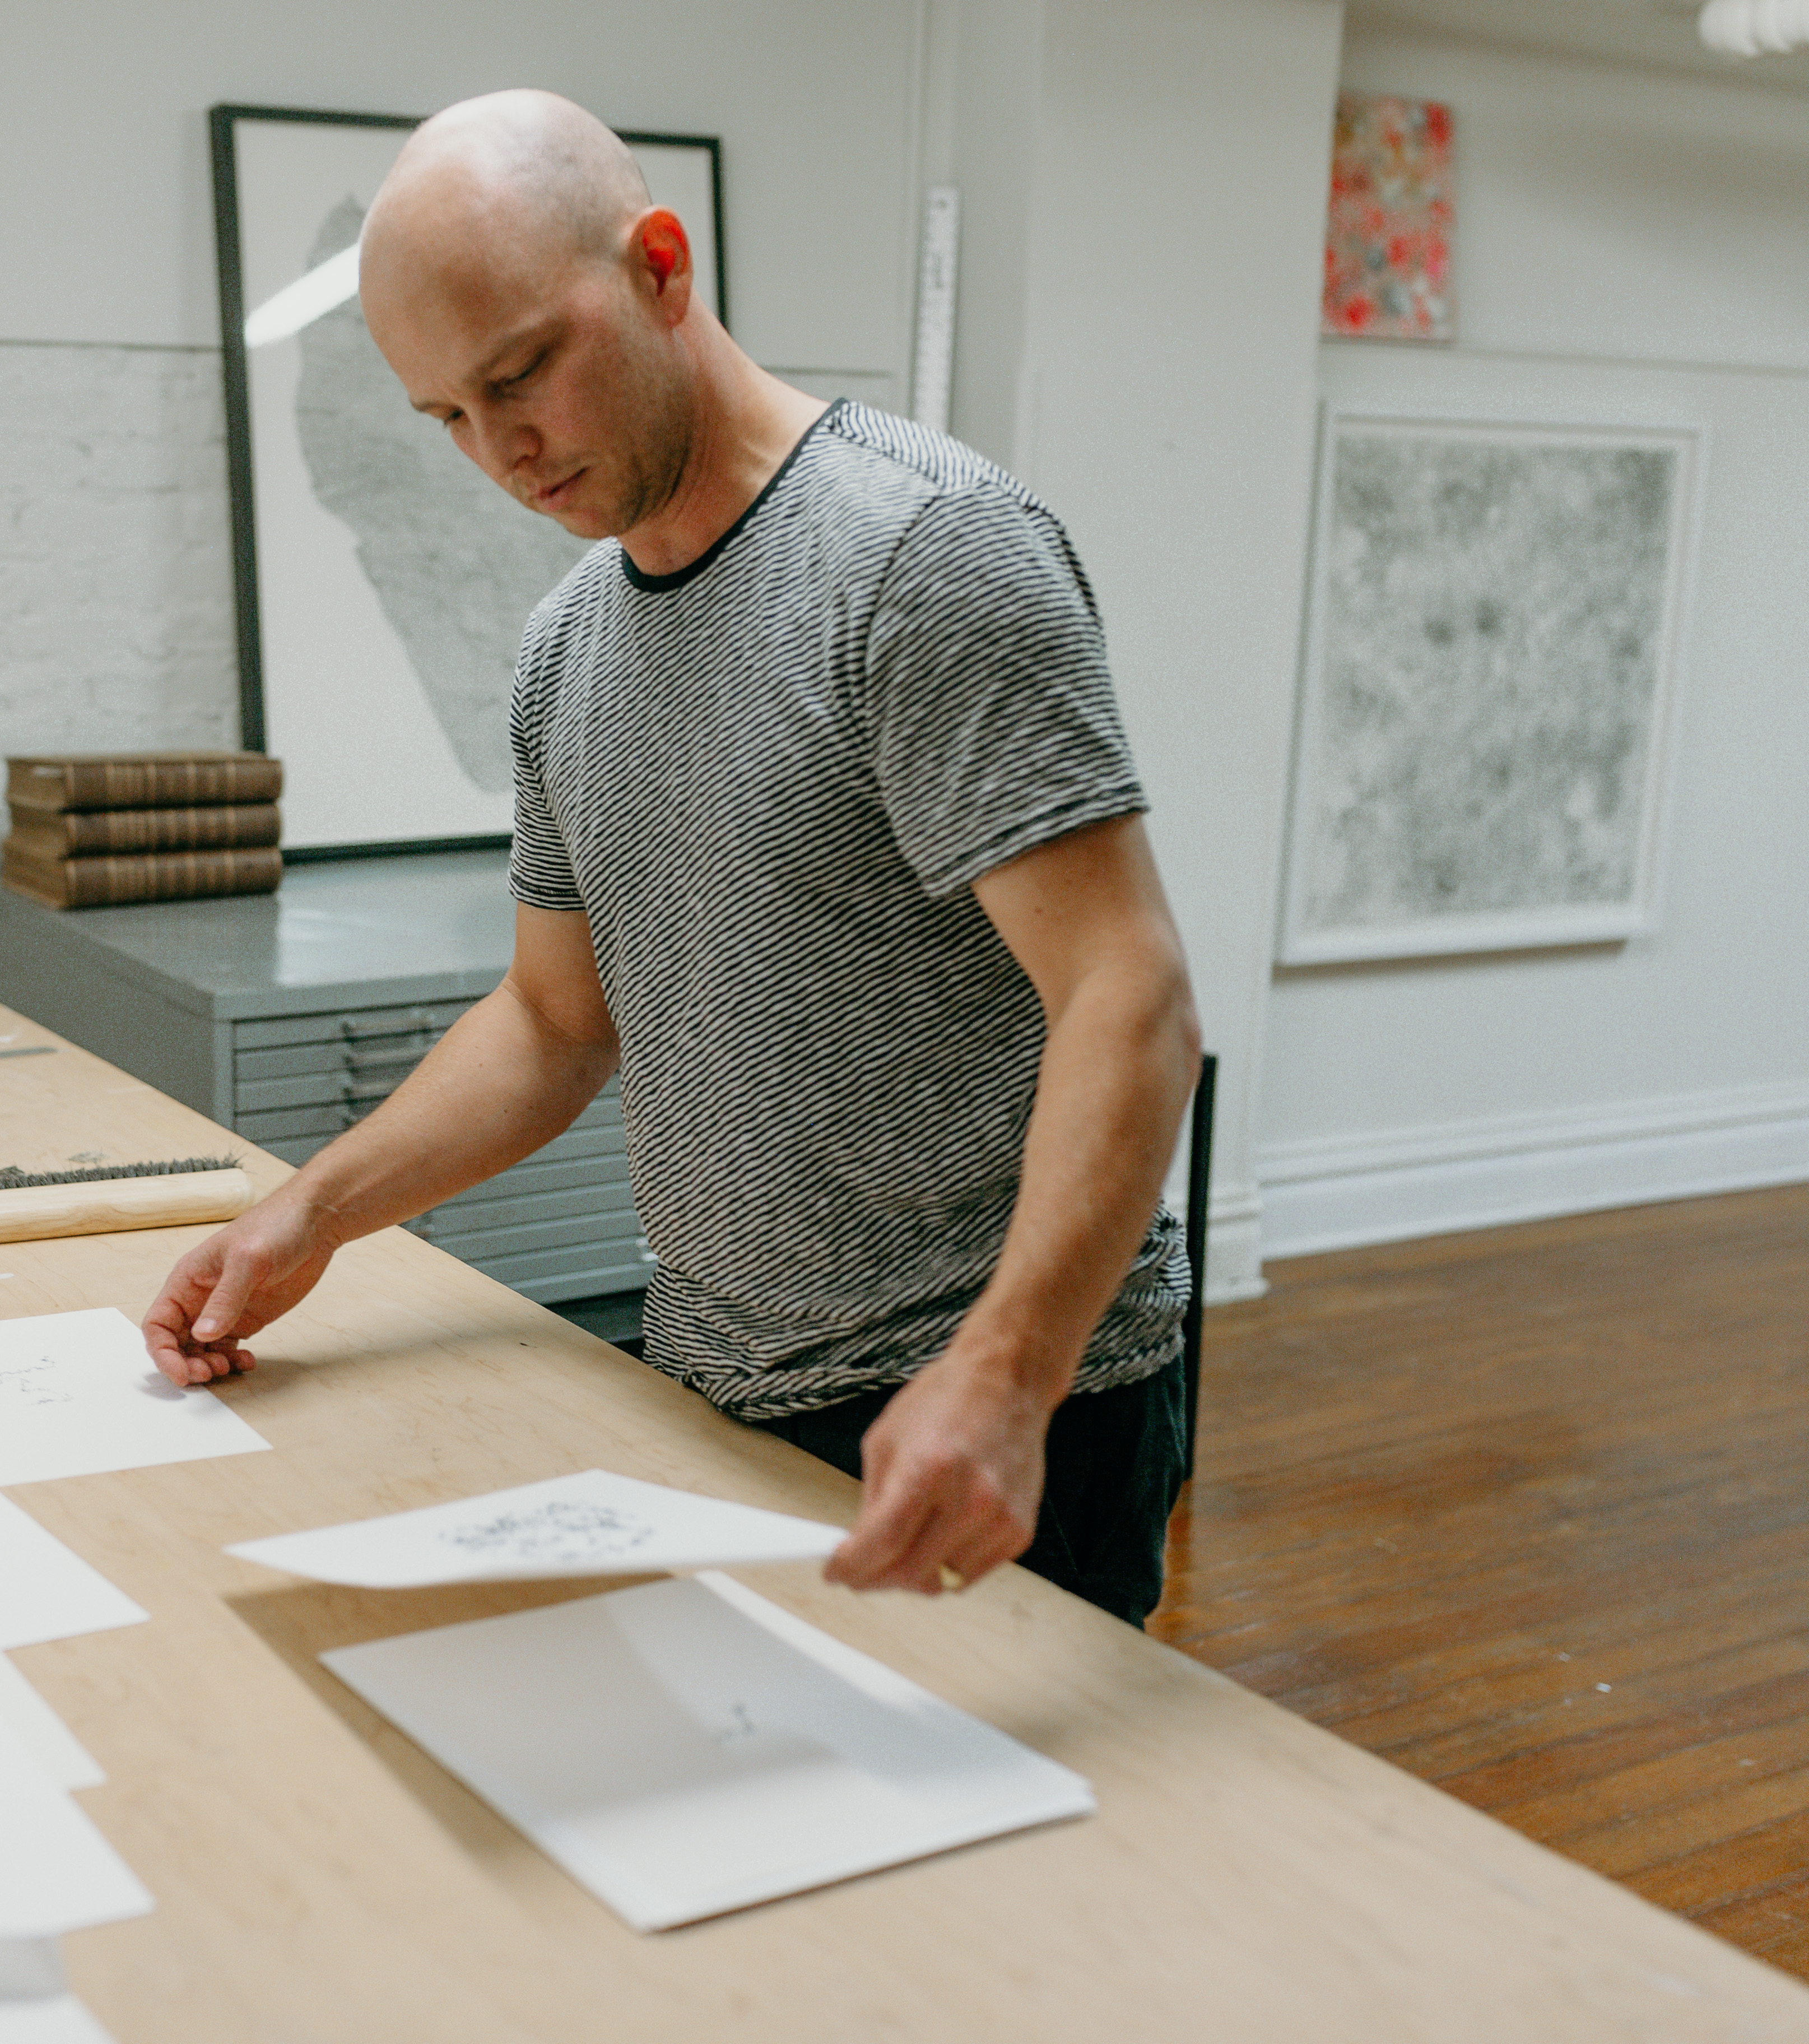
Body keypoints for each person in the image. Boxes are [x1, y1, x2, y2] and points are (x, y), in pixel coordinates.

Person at [145, 89, 1205, 1623]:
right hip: (719, 1386)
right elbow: (554, 1021)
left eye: (520, 374)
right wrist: (311, 1213)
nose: (499, 449)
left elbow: (1131, 991)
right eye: (446, 416)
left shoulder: (924, 556)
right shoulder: (568, 646)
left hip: (986, 1418)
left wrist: (1006, 1378)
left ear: (660, 267)